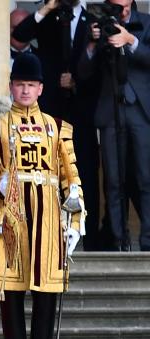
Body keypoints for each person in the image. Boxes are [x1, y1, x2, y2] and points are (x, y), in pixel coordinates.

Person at [0, 52, 87, 339]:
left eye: (31, 85)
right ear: (11, 88)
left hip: (50, 218)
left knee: (47, 288)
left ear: (40, 88)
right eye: (20, 85)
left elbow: (72, 178)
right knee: (11, 289)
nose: (25, 91)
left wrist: (77, 222)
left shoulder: (58, 129)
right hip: (12, 217)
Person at [13, 0, 102, 251]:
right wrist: (46, 8)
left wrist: (77, 82)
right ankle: (49, 238)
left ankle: (91, 241)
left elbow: (101, 67)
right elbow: (19, 35)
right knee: (47, 173)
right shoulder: (48, 18)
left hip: (82, 113)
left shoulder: (91, 18)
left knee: (84, 173)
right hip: (49, 111)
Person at [78, 0, 150, 251]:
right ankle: (119, 240)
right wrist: (92, 43)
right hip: (110, 111)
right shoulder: (99, 27)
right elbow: (83, 72)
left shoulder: (147, 23)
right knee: (113, 180)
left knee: (145, 177)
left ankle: (148, 241)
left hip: (141, 111)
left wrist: (131, 41)